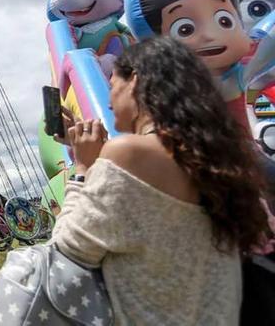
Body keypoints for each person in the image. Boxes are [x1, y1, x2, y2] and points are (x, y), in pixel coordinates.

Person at [51, 37, 268, 325]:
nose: (108, 98)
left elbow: (68, 248)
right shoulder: (218, 156)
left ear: (135, 81)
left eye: (113, 84)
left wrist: (83, 166)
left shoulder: (129, 152)